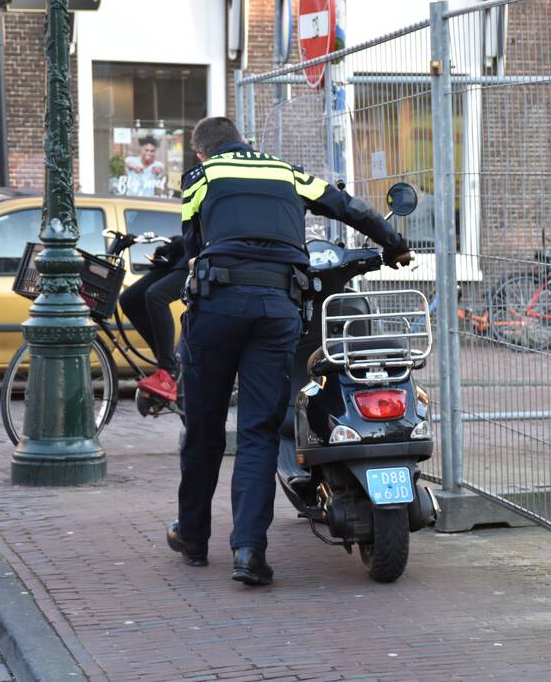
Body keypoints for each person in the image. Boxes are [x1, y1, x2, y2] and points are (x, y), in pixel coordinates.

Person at [166, 116, 411, 586]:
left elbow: (193, 247)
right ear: (245, 142)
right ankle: (248, 552)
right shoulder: (284, 171)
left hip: (216, 308)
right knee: (258, 431)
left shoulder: (200, 176)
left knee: (204, 428)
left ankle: (193, 538)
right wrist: (394, 244)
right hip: (276, 308)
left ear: (201, 152)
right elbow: (349, 207)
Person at [118, 234, 188, 401]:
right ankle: (168, 367)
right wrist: (175, 244)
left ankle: (168, 372)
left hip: (201, 256)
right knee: (129, 299)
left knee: (156, 295)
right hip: (183, 256)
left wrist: (182, 242)